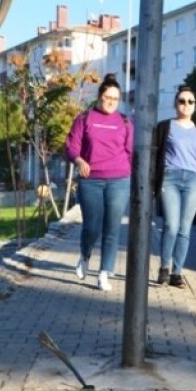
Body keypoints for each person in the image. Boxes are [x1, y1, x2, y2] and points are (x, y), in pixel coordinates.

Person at [64, 74, 132, 291]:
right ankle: (85, 255)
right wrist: (79, 159)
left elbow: (131, 152)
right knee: (92, 227)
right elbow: (71, 146)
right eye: (107, 97)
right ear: (99, 97)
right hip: (90, 180)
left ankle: (104, 273)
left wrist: (129, 172)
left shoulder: (125, 122)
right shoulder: (84, 118)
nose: (111, 101)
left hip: (119, 180)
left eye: (115, 98)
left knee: (112, 228)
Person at [151, 85, 196, 289]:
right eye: (182, 101)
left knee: (184, 229)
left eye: (190, 101)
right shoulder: (164, 127)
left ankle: (177, 273)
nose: (186, 105)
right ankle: (164, 266)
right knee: (171, 225)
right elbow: (154, 156)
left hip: (193, 182)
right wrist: (153, 183)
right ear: (175, 104)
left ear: (195, 106)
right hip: (169, 179)